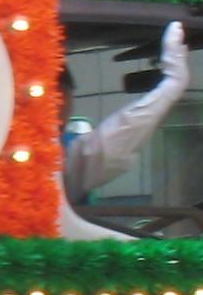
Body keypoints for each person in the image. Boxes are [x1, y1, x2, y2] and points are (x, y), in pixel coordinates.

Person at [58, 20, 190, 240]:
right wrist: (170, 88)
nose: (58, 126)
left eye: (61, 122)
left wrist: (170, 88)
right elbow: (106, 147)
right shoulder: (27, 161)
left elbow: (107, 146)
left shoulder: (60, 156)